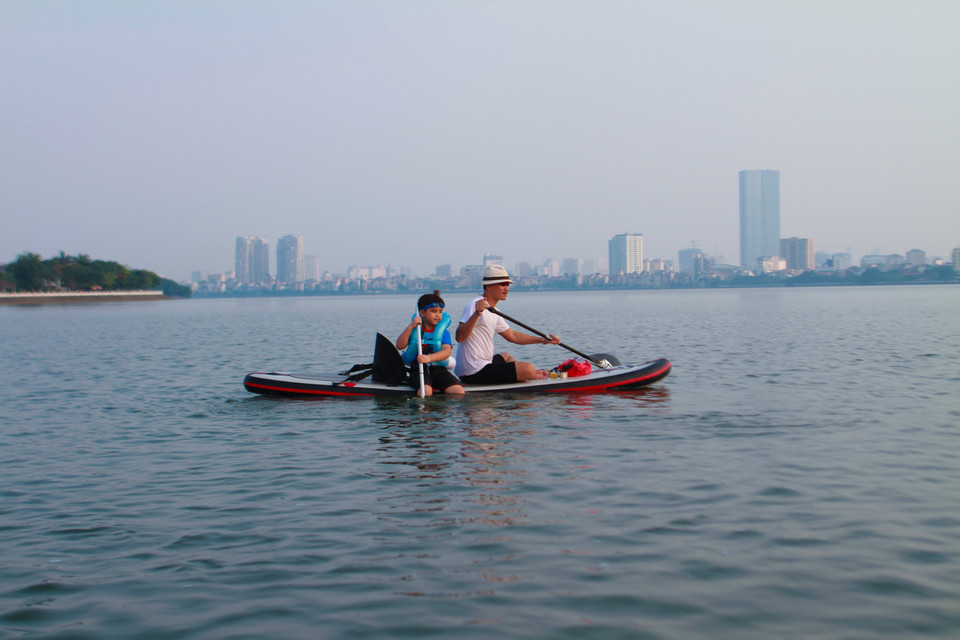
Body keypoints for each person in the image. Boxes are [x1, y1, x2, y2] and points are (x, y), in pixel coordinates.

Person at [454, 265, 561, 384]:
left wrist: (542, 340)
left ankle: (526, 375)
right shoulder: (475, 305)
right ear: (488, 286)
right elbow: (459, 337)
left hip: (483, 364)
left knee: (507, 356)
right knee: (529, 368)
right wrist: (476, 314)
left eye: (508, 284)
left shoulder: (493, 311)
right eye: (502, 284)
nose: (506, 288)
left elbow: (512, 335)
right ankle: (529, 374)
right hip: (472, 371)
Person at [396, 290, 465, 397]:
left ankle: (443, 411)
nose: (438, 315)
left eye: (440, 311)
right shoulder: (415, 330)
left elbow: (446, 352)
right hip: (418, 368)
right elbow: (400, 346)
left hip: (438, 368)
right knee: (426, 391)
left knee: (458, 391)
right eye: (433, 311)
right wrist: (410, 327)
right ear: (422, 313)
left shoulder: (443, 333)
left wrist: (429, 358)